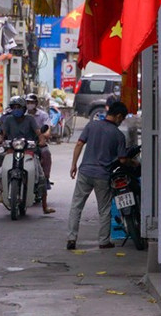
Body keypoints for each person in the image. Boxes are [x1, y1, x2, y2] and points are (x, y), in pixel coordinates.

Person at [66, 101, 132, 250]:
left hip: (85, 172)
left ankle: (71, 238)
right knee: (104, 209)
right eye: (122, 119)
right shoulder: (118, 135)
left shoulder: (91, 126)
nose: (121, 122)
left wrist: (74, 164)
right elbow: (122, 160)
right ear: (118, 116)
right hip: (103, 175)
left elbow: (79, 144)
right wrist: (133, 163)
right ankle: (103, 241)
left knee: (76, 206)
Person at [25, 93, 55, 215]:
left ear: (36, 104)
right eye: (27, 102)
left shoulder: (42, 115)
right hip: (23, 144)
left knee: (46, 153)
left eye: (31, 102)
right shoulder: (22, 116)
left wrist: (43, 138)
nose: (29, 105)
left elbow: (47, 130)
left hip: (38, 143)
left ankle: (45, 179)